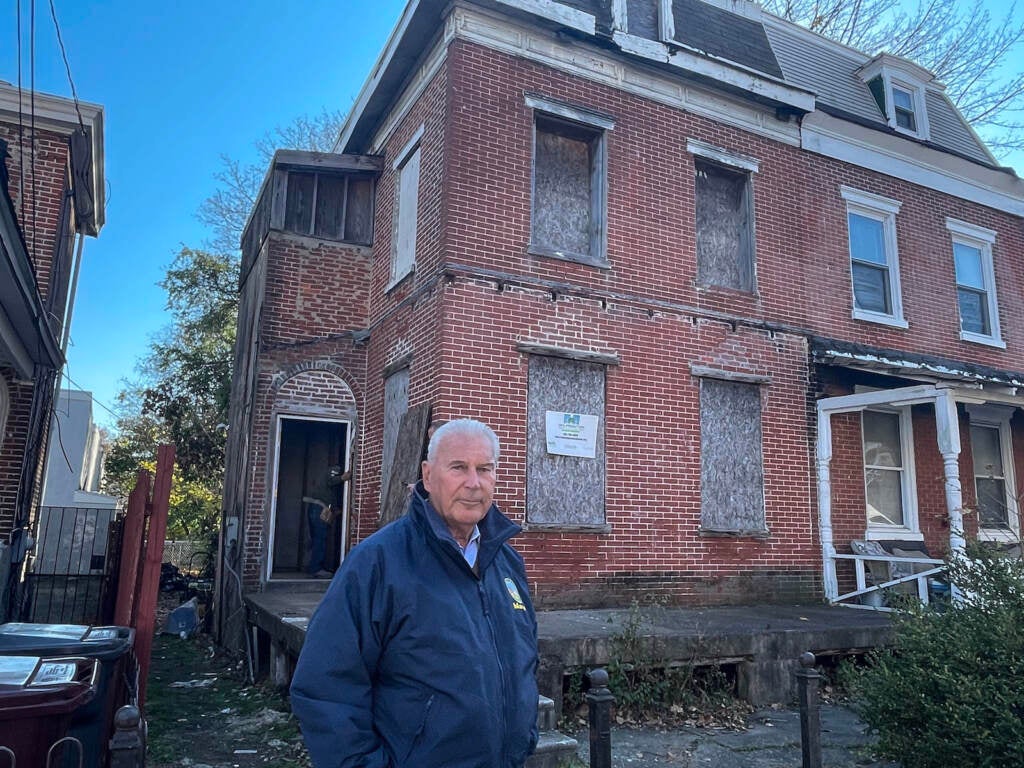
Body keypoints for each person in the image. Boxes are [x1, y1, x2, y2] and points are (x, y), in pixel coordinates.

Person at [290, 419, 539, 768]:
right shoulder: (379, 562)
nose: (473, 482)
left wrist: (524, 736)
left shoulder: (506, 562)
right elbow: (326, 687)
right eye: (458, 468)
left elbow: (523, 660)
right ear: (427, 474)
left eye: (484, 469)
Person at [302, 464, 348, 578]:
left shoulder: (324, 486)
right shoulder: (335, 469)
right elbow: (331, 480)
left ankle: (314, 566)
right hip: (319, 509)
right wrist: (343, 478)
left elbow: (329, 493)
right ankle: (316, 569)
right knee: (319, 538)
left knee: (317, 539)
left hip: (317, 509)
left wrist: (336, 509)